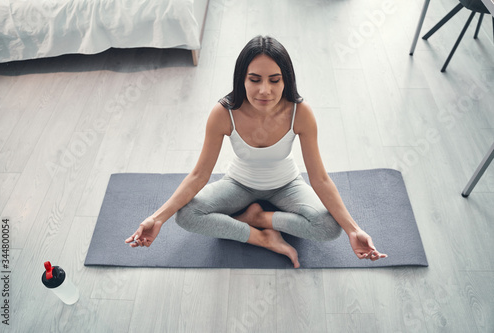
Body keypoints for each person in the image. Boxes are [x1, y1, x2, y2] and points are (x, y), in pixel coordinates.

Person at [125, 35, 387, 268]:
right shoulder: (223, 112)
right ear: (242, 78)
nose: (265, 90)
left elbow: (320, 178)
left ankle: (259, 217)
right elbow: (199, 175)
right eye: (255, 79)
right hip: (239, 183)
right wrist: (157, 219)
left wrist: (354, 231)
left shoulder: (300, 112)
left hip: (287, 184)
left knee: (330, 228)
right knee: (186, 215)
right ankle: (261, 236)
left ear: (286, 80)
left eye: (275, 80)